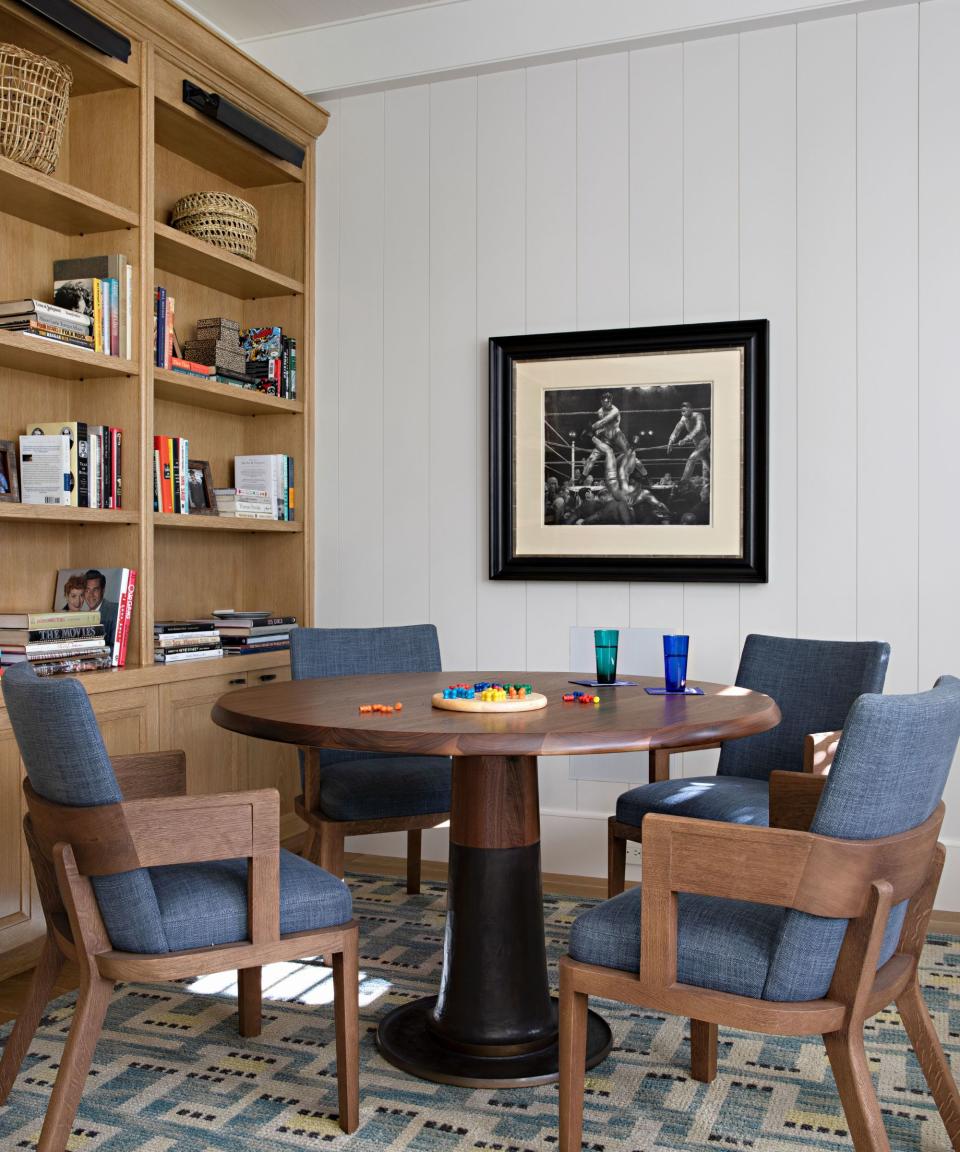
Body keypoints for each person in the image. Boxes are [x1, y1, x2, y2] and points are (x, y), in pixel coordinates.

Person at [578, 392, 628, 481]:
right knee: (592, 457)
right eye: (604, 401)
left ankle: (644, 476)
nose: (606, 403)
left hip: (617, 436)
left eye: (608, 401)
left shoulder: (615, 410)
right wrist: (597, 431)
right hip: (606, 438)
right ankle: (582, 478)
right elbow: (604, 426)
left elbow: (604, 421)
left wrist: (589, 429)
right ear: (601, 401)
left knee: (630, 455)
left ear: (611, 401)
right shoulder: (600, 411)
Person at [667, 400, 711, 485]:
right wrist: (671, 441)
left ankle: (683, 483)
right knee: (708, 464)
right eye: (682, 411)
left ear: (690, 409)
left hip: (704, 441)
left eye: (684, 410)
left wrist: (686, 439)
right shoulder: (683, 419)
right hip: (697, 444)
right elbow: (677, 430)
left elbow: (698, 429)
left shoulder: (698, 416)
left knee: (692, 458)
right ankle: (717, 477)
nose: (682, 413)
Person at [83, 569, 118, 645]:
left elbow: (115, 649)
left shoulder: (116, 611)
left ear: (103, 590)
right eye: (87, 590)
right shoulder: (82, 616)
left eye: (95, 590)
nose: (91, 595)